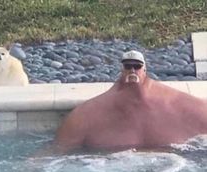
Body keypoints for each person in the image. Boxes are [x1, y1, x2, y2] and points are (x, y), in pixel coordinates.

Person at [52, 50, 207, 154]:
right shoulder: (86, 115)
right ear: (122, 69)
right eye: (128, 66)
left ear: (144, 69)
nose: (132, 70)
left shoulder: (179, 104)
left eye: (137, 66)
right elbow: (55, 152)